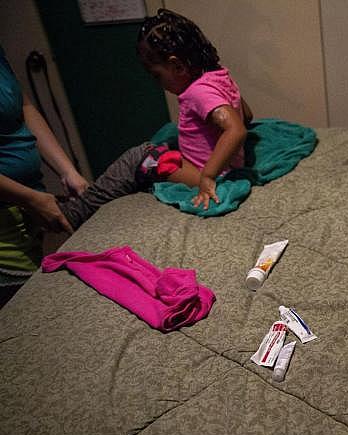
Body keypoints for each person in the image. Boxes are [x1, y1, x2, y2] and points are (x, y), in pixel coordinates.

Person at [57, 7, 254, 230]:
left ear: (177, 65)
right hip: (226, 166)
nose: (157, 82)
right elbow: (246, 114)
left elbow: (236, 129)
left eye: (156, 75)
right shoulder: (219, 76)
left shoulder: (199, 92)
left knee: (140, 157)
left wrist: (208, 176)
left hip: (210, 173)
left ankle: (76, 212)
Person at [0, 44, 90, 307]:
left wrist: (68, 171)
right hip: (6, 215)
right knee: (23, 308)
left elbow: (24, 106)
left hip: (26, 202)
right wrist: (30, 199)